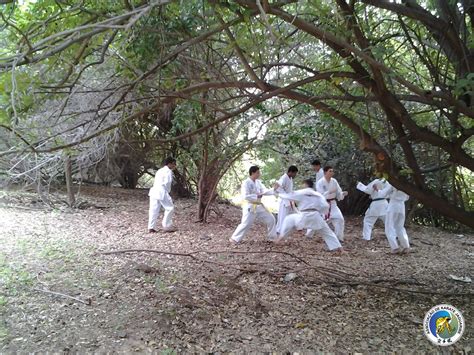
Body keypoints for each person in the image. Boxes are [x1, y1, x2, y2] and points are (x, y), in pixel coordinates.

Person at [275, 179, 343, 252]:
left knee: (289, 219)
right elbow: (325, 206)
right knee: (327, 232)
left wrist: (277, 191)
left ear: (305, 184)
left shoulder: (301, 192)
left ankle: (279, 239)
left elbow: (287, 196)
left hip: (303, 217)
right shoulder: (318, 194)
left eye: (302, 184)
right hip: (316, 216)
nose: (301, 186)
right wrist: (321, 213)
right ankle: (339, 248)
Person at [229, 166, 277, 244]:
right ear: (253, 173)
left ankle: (272, 238)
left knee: (271, 219)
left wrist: (274, 189)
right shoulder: (246, 183)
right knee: (246, 223)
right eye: (258, 172)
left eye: (259, 172)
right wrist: (257, 196)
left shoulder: (258, 182)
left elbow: (264, 191)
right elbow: (245, 196)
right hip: (250, 206)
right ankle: (234, 238)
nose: (259, 174)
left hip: (259, 206)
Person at [314, 166, 348, 242]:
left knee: (340, 219)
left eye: (332, 171)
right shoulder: (320, 182)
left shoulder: (334, 181)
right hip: (323, 205)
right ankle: (309, 233)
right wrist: (329, 191)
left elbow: (338, 192)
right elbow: (320, 195)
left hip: (332, 204)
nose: (332, 172)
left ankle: (338, 238)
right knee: (320, 223)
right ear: (325, 172)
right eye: (330, 171)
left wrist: (342, 194)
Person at [379, 183, 411, 254]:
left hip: (393, 205)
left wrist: (378, 190)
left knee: (389, 227)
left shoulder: (393, 183)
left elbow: (383, 194)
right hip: (402, 206)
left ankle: (395, 247)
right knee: (400, 227)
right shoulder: (407, 185)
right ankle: (406, 246)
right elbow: (407, 197)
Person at [148, 157, 177, 233]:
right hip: (162, 191)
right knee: (170, 208)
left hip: (154, 190)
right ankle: (167, 226)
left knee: (153, 209)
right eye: (174, 164)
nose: (175, 166)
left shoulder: (160, 170)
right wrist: (167, 192)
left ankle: (151, 227)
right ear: (169, 164)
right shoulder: (168, 171)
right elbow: (167, 182)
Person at [274, 165, 298, 235]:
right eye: (295, 173)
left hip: (289, 200)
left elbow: (289, 190)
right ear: (291, 172)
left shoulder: (290, 178)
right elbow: (277, 187)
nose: (295, 175)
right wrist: (285, 195)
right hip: (284, 201)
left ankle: (284, 231)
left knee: (290, 216)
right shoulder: (284, 177)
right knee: (282, 217)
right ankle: (279, 232)